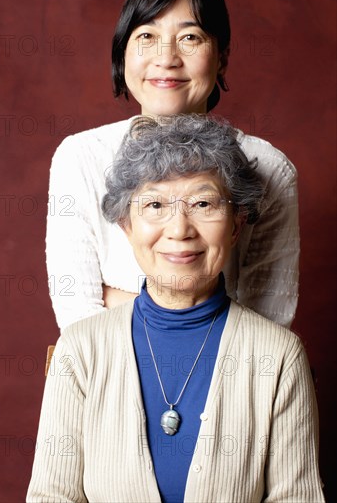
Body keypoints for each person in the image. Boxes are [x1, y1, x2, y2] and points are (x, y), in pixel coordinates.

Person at [28, 116, 323, 502]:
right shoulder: (80, 350)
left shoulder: (279, 355)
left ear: (235, 225)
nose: (180, 229)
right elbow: (52, 496)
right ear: (127, 226)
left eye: (203, 203)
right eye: (155, 204)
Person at [47, 0, 299, 330]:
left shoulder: (270, 168)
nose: (166, 58)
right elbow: (77, 314)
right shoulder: (81, 158)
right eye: (147, 36)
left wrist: (117, 297)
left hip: (229, 378)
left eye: (190, 38)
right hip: (111, 373)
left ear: (222, 57)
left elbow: (268, 329)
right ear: (122, 55)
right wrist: (204, 316)